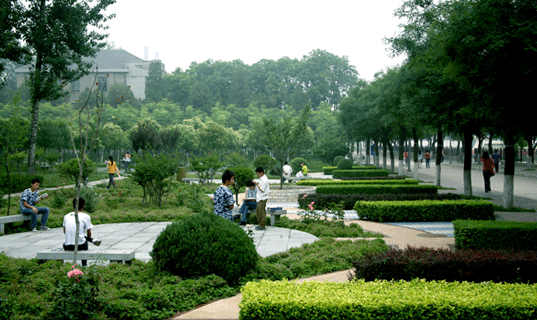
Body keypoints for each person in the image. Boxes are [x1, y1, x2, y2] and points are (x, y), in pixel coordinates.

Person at [63, 198, 100, 267]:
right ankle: (84, 264)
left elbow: (65, 231)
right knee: (84, 241)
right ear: (83, 206)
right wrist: (88, 238)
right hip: (80, 246)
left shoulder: (66, 216)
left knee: (80, 237)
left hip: (67, 246)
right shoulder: (86, 216)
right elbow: (89, 233)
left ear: (73, 206)